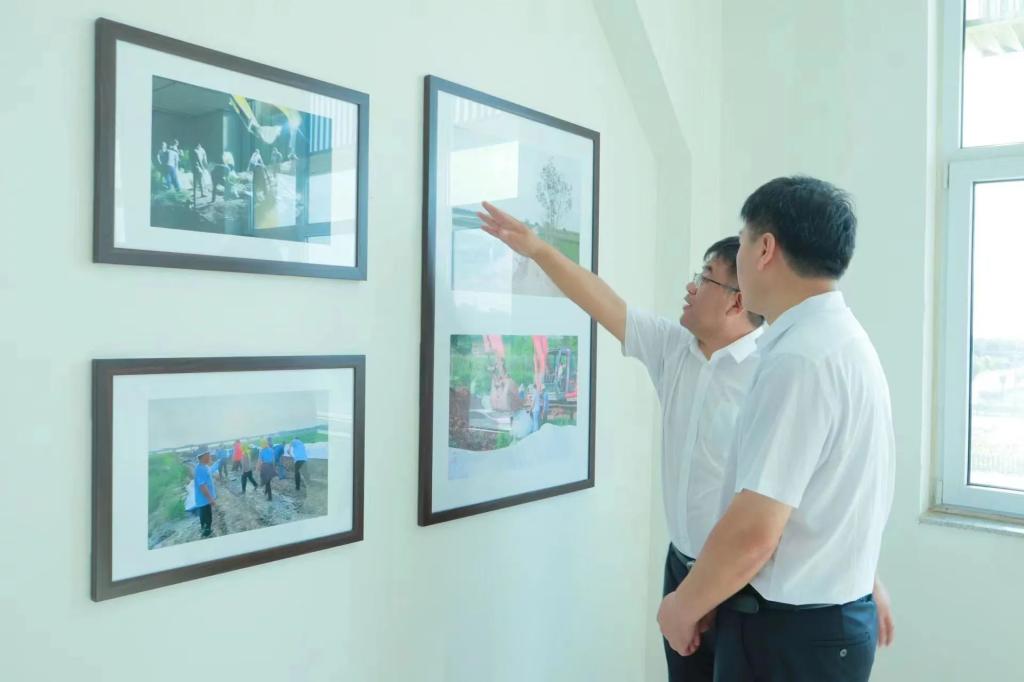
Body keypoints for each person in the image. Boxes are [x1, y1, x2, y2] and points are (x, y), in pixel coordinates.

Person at [478, 200, 895, 681]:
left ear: (737, 300)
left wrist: (863, 576)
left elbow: (803, 492)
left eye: (706, 277)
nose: (690, 287)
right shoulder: (674, 351)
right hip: (684, 569)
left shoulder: (775, 367)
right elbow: (601, 301)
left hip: (740, 582)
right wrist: (537, 249)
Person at [655, 177, 896, 682]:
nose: (740, 257)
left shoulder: (798, 359)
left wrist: (682, 606)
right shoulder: (842, 340)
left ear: (765, 248)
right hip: (824, 625)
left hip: (788, 635)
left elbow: (755, 532)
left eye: (743, 242)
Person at [193, 450, 217, 538]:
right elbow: (202, 486)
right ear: (203, 457)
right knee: (206, 520)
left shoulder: (205, 466)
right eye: (208, 455)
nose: (210, 457)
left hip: (206, 500)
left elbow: (209, 473)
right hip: (203, 501)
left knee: (208, 518)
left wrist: (214, 475)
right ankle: (206, 535)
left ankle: (207, 532)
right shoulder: (199, 469)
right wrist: (211, 499)